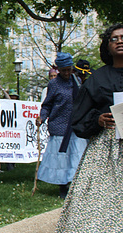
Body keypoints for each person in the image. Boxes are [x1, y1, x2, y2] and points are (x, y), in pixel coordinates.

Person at [46, 23, 123, 233]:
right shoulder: (97, 78)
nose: (120, 41)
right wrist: (98, 120)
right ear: (107, 46)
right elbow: (79, 117)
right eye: (114, 39)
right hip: (104, 150)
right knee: (96, 209)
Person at [35, 52, 87, 199]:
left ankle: (74, 185)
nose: (66, 73)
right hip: (59, 126)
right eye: (63, 70)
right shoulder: (53, 84)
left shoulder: (77, 81)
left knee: (76, 157)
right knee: (62, 159)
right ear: (58, 69)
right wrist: (42, 117)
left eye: (69, 69)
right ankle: (63, 186)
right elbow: (47, 105)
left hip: (75, 125)